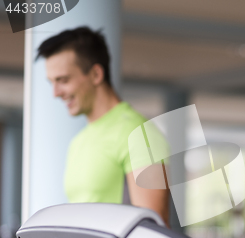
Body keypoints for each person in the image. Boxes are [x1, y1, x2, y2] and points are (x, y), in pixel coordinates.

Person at [37, 27, 170, 227]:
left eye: (63, 80)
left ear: (96, 74)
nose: (55, 93)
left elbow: (153, 232)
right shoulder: (79, 141)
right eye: (51, 83)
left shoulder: (139, 133)